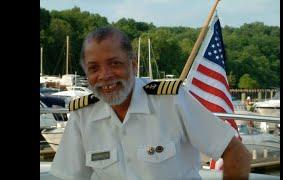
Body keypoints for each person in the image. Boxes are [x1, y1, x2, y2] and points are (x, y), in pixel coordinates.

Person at [50, 27, 251, 180]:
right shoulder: (83, 115)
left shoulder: (171, 101)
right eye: (94, 68)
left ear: (134, 64)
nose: (105, 75)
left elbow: (237, 153)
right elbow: (67, 175)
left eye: (115, 63)